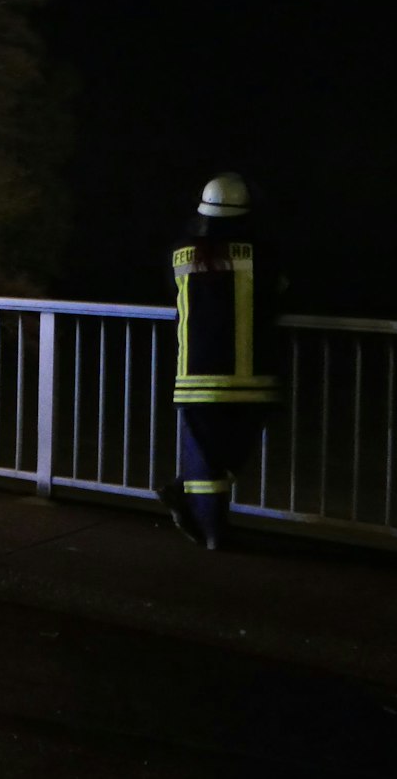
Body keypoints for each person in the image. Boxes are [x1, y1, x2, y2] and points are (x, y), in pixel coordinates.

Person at [156, 172, 287, 550]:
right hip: (253, 378)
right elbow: (281, 291)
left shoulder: (181, 252)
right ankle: (199, 517)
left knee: (209, 459)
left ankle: (208, 528)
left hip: (193, 377)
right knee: (230, 453)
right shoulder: (262, 254)